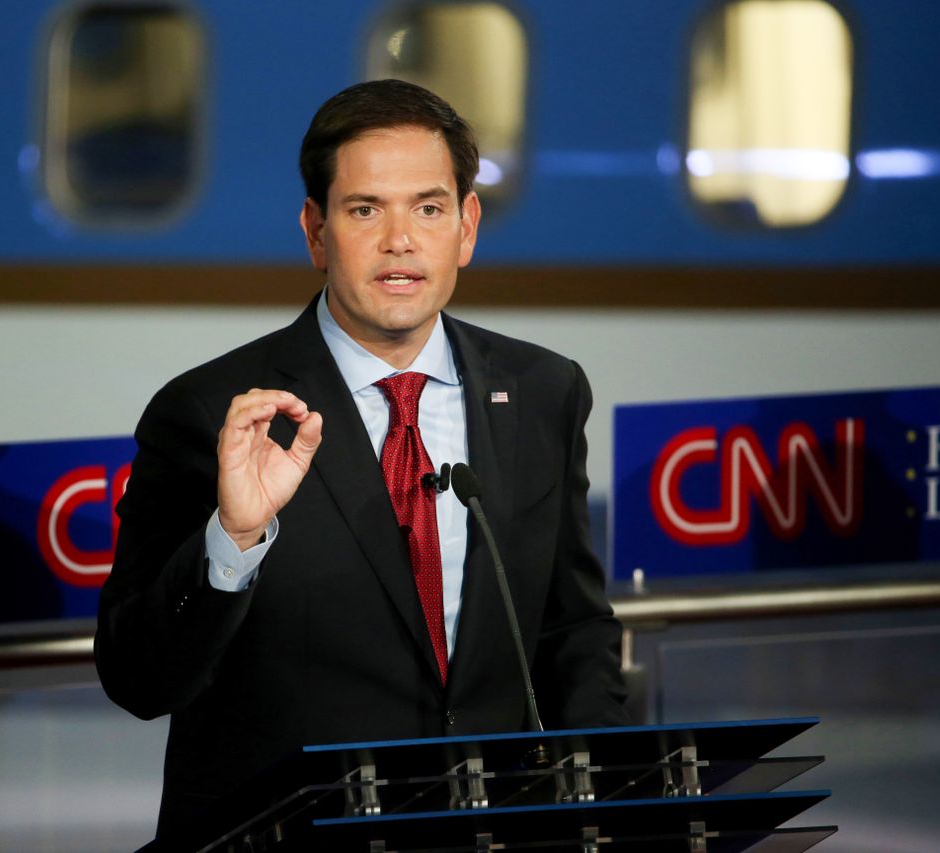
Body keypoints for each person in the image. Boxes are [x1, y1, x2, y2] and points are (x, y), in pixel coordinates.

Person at [96, 79, 629, 851]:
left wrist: (609, 802)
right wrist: (232, 541)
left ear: (467, 227)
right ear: (316, 232)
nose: (401, 240)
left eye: (429, 207)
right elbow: (138, 678)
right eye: (364, 209)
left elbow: (571, 625)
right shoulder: (215, 412)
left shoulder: (544, 392)